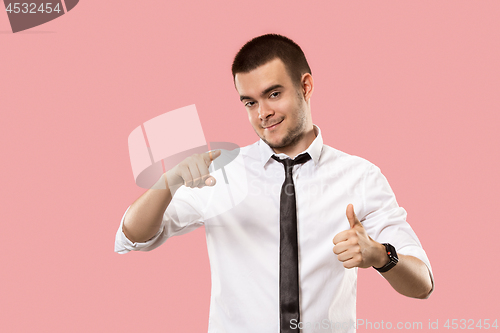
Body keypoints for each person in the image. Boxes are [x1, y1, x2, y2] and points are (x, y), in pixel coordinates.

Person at [115, 34, 434, 333]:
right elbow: (132, 235)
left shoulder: (360, 176)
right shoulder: (220, 173)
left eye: (273, 94)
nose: (263, 113)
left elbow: (422, 284)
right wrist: (169, 182)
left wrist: (381, 255)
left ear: (305, 86)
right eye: (249, 102)